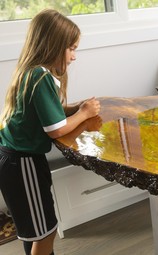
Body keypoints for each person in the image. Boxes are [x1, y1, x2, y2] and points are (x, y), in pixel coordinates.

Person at [0, 9, 100, 255]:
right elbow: (56, 130)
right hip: (22, 164)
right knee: (46, 231)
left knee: (33, 230)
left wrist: (75, 108)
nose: (74, 57)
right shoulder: (40, 77)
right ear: (54, 45)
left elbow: (45, 113)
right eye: (72, 48)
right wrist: (85, 113)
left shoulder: (30, 72)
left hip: (15, 160)